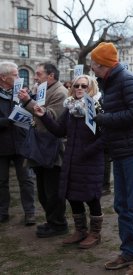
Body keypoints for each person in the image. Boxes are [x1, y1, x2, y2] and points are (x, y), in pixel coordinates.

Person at [89, 42, 133, 274]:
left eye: (94, 64)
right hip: (121, 150)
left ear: (103, 64)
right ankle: (129, 252)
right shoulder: (107, 82)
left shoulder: (127, 79)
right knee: (122, 205)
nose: (91, 68)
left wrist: (104, 118)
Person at [33, 75, 104, 249]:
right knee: (72, 195)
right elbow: (59, 131)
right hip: (71, 159)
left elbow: (105, 138)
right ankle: (80, 230)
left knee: (92, 197)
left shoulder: (98, 108)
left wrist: (87, 151)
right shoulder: (70, 108)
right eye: (76, 85)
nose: (80, 88)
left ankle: (95, 233)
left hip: (90, 160)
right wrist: (43, 116)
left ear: (91, 88)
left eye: (84, 86)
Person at [18, 62, 68, 238]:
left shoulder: (60, 92)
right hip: (40, 144)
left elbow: (51, 117)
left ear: (51, 76)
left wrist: (28, 102)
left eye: (39, 74)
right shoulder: (43, 89)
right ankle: (52, 221)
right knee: (44, 191)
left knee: (52, 190)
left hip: (52, 148)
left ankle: (59, 224)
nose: (35, 77)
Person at [0, 61, 36, 225]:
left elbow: (33, 111)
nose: (19, 77)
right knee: (2, 181)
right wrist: (6, 121)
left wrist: (28, 101)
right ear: (3, 77)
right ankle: (3, 212)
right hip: (2, 145)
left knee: (26, 180)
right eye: (15, 75)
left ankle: (30, 212)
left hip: (21, 143)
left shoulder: (21, 93)